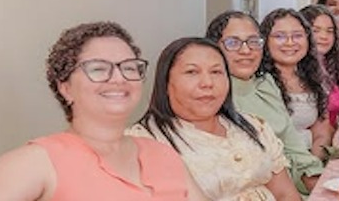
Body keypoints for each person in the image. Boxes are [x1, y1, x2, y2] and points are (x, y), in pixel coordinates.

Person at [0, 22, 208, 201]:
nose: (118, 78)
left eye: (129, 68)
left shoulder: (163, 155)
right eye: (99, 69)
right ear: (65, 87)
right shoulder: (35, 162)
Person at [129, 37, 301, 201]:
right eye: (192, 72)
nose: (207, 83)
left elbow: (286, 193)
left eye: (216, 71)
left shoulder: (254, 126)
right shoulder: (142, 142)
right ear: (165, 83)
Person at [205, 11, 323, 195]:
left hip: (292, 187)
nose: (246, 50)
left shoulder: (266, 83)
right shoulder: (210, 95)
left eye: (253, 41)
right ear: (214, 48)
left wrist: (319, 184)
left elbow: (293, 145)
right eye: (233, 43)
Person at [259, 9, 333, 159]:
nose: (290, 42)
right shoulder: (260, 83)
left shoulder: (310, 77)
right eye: (280, 36)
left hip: (310, 162)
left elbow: (322, 131)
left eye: (297, 36)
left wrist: (313, 163)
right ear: (265, 41)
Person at [300, 5, 339, 127]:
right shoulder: (299, 71)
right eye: (315, 30)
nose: (324, 37)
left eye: (329, 31)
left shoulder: (329, 65)